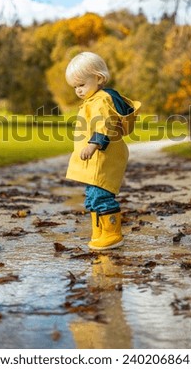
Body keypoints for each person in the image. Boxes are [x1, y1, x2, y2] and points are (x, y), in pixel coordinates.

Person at [65, 52, 141, 251]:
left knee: (101, 195)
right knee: (92, 196)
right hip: (95, 161)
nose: (78, 91)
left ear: (98, 78)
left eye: (81, 85)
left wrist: (93, 144)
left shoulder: (101, 100)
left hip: (102, 157)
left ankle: (112, 234)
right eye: (75, 87)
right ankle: (99, 232)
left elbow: (104, 124)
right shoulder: (92, 100)